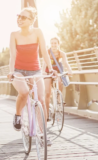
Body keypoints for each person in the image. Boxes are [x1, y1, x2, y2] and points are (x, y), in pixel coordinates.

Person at [7, 7, 56, 146]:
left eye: (23, 17)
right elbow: (13, 56)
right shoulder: (14, 35)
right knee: (24, 92)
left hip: (35, 71)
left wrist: (51, 69)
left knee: (40, 99)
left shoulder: (38, 32)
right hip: (18, 71)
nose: (19, 19)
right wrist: (11, 71)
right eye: (19, 16)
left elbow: (45, 53)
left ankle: (43, 134)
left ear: (32, 20)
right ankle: (17, 115)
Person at [43, 37, 73, 121]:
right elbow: (44, 64)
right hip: (48, 72)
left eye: (55, 43)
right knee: (48, 93)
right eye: (52, 43)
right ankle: (47, 113)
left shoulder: (61, 53)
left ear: (58, 44)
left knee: (60, 81)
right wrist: (43, 72)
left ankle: (59, 99)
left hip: (58, 72)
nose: (53, 45)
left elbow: (65, 63)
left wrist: (69, 70)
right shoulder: (48, 52)